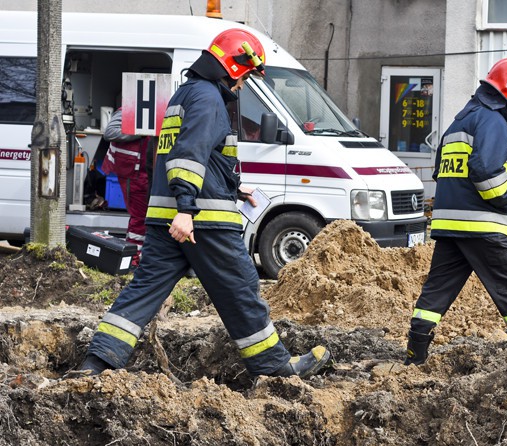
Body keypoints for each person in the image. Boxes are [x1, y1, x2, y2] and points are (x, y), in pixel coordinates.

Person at [74, 29, 332, 378]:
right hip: (202, 222)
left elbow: (200, 157)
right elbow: (188, 156)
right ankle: (276, 369)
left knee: (143, 291)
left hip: (168, 221)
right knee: (241, 289)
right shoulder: (209, 98)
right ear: (234, 67)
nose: (242, 86)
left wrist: (233, 187)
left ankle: (96, 363)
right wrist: (186, 210)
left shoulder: (186, 95)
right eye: (245, 78)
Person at [404, 58, 507, 366]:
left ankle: (415, 352)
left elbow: (441, 172)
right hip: (482, 225)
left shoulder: (458, 123)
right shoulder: (493, 122)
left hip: (449, 224)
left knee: (437, 290)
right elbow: (485, 172)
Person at [102, 108, 150, 263]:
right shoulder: (129, 109)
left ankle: (137, 256)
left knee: (143, 217)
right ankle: (134, 259)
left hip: (144, 173)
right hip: (132, 173)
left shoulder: (158, 111)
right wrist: (142, 131)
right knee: (139, 217)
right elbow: (110, 133)